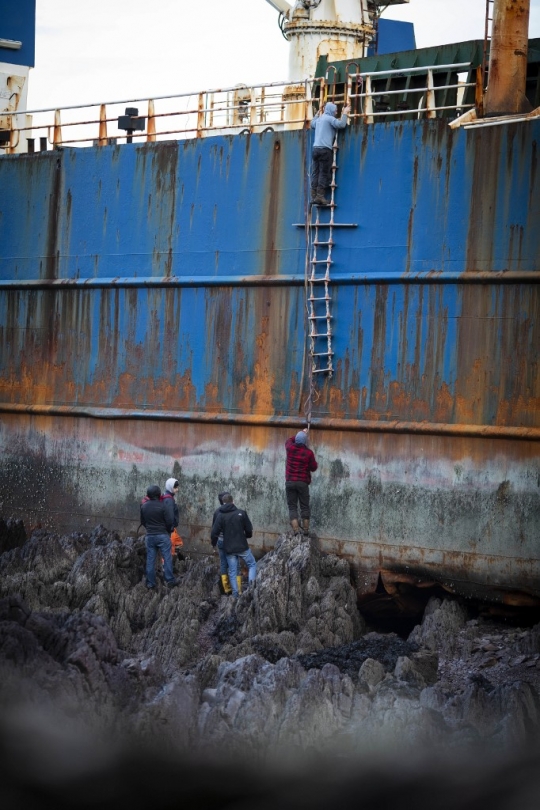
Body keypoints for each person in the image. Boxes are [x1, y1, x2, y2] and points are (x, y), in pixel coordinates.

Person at [210, 492, 256, 598]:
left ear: (223, 503)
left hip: (229, 548)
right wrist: (247, 536)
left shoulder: (220, 515)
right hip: (242, 546)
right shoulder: (241, 513)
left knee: (232, 570)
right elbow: (249, 529)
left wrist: (213, 543)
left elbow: (214, 532)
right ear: (233, 501)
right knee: (252, 564)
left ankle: (235, 594)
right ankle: (252, 589)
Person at [310, 101, 350, 206]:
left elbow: (311, 124)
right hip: (325, 150)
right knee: (323, 173)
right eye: (335, 110)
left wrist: (318, 112)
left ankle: (313, 196)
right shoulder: (330, 119)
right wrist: (345, 113)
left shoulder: (319, 119)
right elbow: (341, 125)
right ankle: (320, 196)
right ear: (331, 110)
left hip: (315, 149)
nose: (336, 112)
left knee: (316, 172)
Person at [140, 485, 179, 590]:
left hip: (150, 536)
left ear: (148, 495)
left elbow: (143, 521)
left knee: (150, 559)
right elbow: (170, 521)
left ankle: (150, 583)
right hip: (162, 535)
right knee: (167, 558)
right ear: (159, 494)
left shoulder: (144, 506)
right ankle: (170, 580)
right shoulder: (163, 506)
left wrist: (149, 528)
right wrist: (166, 530)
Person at [285, 428, 318, 536]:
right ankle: (306, 530)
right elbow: (314, 467)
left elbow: (289, 440)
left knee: (292, 506)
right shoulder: (308, 453)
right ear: (305, 441)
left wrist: (302, 433)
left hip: (290, 481)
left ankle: (296, 530)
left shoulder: (290, 448)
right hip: (303, 482)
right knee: (304, 506)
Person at [211, 491, 236, 596]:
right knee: (234, 565)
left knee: (223, 564)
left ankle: (226, 588)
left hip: (220, 542)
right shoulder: (235, 511)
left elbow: (214, 529)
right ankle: (235, 588)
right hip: (232, 542)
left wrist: (213, 543)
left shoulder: (217, 512)